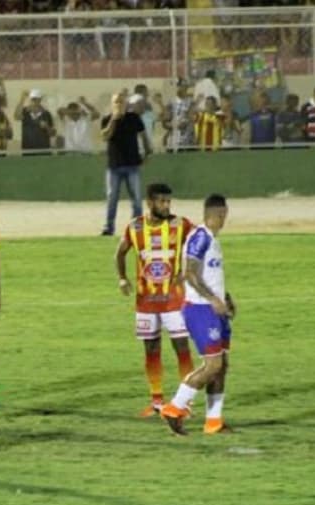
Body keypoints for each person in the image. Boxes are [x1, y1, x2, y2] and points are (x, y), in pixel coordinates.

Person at [114, 183, 195, 416]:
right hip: (146, 301)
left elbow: (200, 246)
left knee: (182, 347)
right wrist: (122, 278)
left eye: (169, 201)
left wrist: (187, 271)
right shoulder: (135, 227)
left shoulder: (181, 225)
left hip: (174, 300)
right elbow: (120, 253)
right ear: (149, 203)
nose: (167, 205)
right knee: (151, 349)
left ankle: (184, 403)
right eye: (162, 201)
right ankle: (157, 401)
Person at [161, 194, 235, 436]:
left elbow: (210, 274)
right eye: (224, 215)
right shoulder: (200, 237)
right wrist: (213, 299)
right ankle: (174, 407)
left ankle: (213, 422)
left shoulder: (212, 239)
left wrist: (225, 297)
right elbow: (190, 273)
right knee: (212, 365)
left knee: (221, 365)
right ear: (218, 214)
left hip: (215, 309)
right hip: (201, 310)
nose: (225, 219)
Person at [100, 92, 151, 236]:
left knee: (136, 197)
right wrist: (113, 121)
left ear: (126, 104)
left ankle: (138, 227)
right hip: (114, 165)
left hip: (132, 164)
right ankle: (109, 227)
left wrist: (147, 153)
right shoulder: (106, 119)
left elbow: (143, 136)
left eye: (121, 102)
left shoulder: (134, 118)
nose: (119, 105)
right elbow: (105, 136)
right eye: (116, 102)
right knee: (112, 198)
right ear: (112, 104)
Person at [15, 88, 56, 154]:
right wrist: (22, 99)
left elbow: (53, 133)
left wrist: (47, 127)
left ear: (40, 100)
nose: (34, 101)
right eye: (32, 99)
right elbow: (17, 116)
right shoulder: (25, 112)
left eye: (36, 99)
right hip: (28, 151)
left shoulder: (46, 114)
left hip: (44, 151)